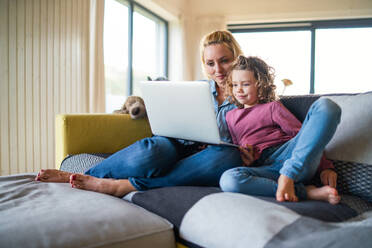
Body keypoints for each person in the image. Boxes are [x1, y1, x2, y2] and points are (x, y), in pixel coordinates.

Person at [35, 30, 245, 197]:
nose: (218, 69)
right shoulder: (196, 89)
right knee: (152, 150)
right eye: (210, 63)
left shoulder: (249, 94)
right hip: (178, 145)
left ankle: (123, 186)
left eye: (224, 60)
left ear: (237, 58)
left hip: (209, 156)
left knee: (228, 157)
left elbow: (259, 137)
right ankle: (80, 175)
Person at [219, 55, 341, 204]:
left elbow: (304, 138)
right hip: (267, 169)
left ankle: (288, 175)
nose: (239, 90)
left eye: (245, 84)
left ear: (260, 84)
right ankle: (305, 192)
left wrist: (326, 167)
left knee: (326, 106)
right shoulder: (230, 116)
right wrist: (246, 160)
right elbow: (240, 150)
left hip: (291, 158)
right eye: (234, 85)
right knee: (228, 179)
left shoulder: (272, 107)